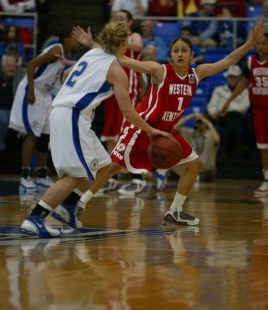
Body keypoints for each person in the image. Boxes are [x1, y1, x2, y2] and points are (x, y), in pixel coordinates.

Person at [74, 18, 265, 227]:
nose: (180, 53)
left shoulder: (197, 74)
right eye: (176, 50)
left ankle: (175, 211)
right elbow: (122, 60)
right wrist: (93, 45)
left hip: (167, 131)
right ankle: (80, 202)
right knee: (114, 168)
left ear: (192, 56)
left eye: (184, 50)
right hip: (142, 127)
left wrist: (249, 43)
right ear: (171, 55)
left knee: (195, 166)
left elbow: (228, 60)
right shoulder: (159, 70)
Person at [20, 21, 167, 237]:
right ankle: (35, 219)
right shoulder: (117, 71)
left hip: (69, 113)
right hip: (72, 115)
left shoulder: (93, 52)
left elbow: (70, 71)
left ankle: (69, 208)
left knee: (104, 166)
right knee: (72, 175)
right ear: (123, 42)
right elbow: (128, 114)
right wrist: (151, 131)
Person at [9, 30, 81, 192]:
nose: (79, 42)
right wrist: (31, 91)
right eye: (75, 39)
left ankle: (42, 174)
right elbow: (31, 64)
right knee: (33, 134)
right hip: (33, 89)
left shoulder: (70, 56)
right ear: (67, 39)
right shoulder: (57, 50)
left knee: (46, 135)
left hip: (47, 94)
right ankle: (25, 176)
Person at [100, 9, 145, 194]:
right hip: (111, 91)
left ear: (130, 22)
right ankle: (113, 178)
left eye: (122, 19)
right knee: (111, 134)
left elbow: (139, 47)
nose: (118, 21)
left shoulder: (133, 36)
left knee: (131, 132)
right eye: (115, 19)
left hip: (129, 90)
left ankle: (138, 177)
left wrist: (118, 38)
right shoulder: (110, 42)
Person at [222, 32, 268, 197]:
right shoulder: (250, 62)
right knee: (263, 146)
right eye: (258, 44)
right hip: (258, 109)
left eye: (264, 43)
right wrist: (229, 100)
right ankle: (266, 179)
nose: (260, 46)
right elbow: (243, 82)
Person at [208, 65, 250, 158]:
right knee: (231, 118)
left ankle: (226, 149)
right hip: (221, 118)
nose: (232, 78)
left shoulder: (245, 91)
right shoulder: (218, 90)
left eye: (234, 76)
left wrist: (227, 110)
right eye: (230, 76)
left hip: (237, 118)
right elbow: (211, 106)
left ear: (239, 78)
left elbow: (244, 107)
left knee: (233, 116)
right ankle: (236, 146)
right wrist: (216, 112)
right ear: (227, 77)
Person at [176, 112, 220, 182]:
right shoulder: (191, 133)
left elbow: (217, 140)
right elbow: (175, 127)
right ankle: (195, 177)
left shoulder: (210, 135)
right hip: (193, 168)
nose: (199, 123)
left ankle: (195, 177)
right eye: (198, 121)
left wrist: (208, 123)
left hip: (206, 170)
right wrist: (192, 115)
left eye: (201, 121)